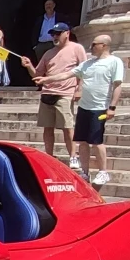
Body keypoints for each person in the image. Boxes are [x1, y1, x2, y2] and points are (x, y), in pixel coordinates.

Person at [29, 33, 123, 184]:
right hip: (84, 107)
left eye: (94, 44)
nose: (91, 47)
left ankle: (103, 172)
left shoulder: (114, 62)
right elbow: (66, 75)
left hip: (99, 107)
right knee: (83, 141)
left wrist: (112, 107)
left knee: (96, 141)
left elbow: (117, 85)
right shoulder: (88, 63)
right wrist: (46, 79)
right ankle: (85, 172)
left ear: (104, 46)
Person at [19, 23, 86, 168]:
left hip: (65, 93)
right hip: (47, 93)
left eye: (58, 33)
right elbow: (37, 75)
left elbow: (84, 70)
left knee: (67, 127)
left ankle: (73, 156)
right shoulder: (48, 53)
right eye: (53, 34)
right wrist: (29, 65)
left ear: (67, 33)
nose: (55, 36)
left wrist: (79, 89)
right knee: (47, 127)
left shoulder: (77, 48)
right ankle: (49, 155)